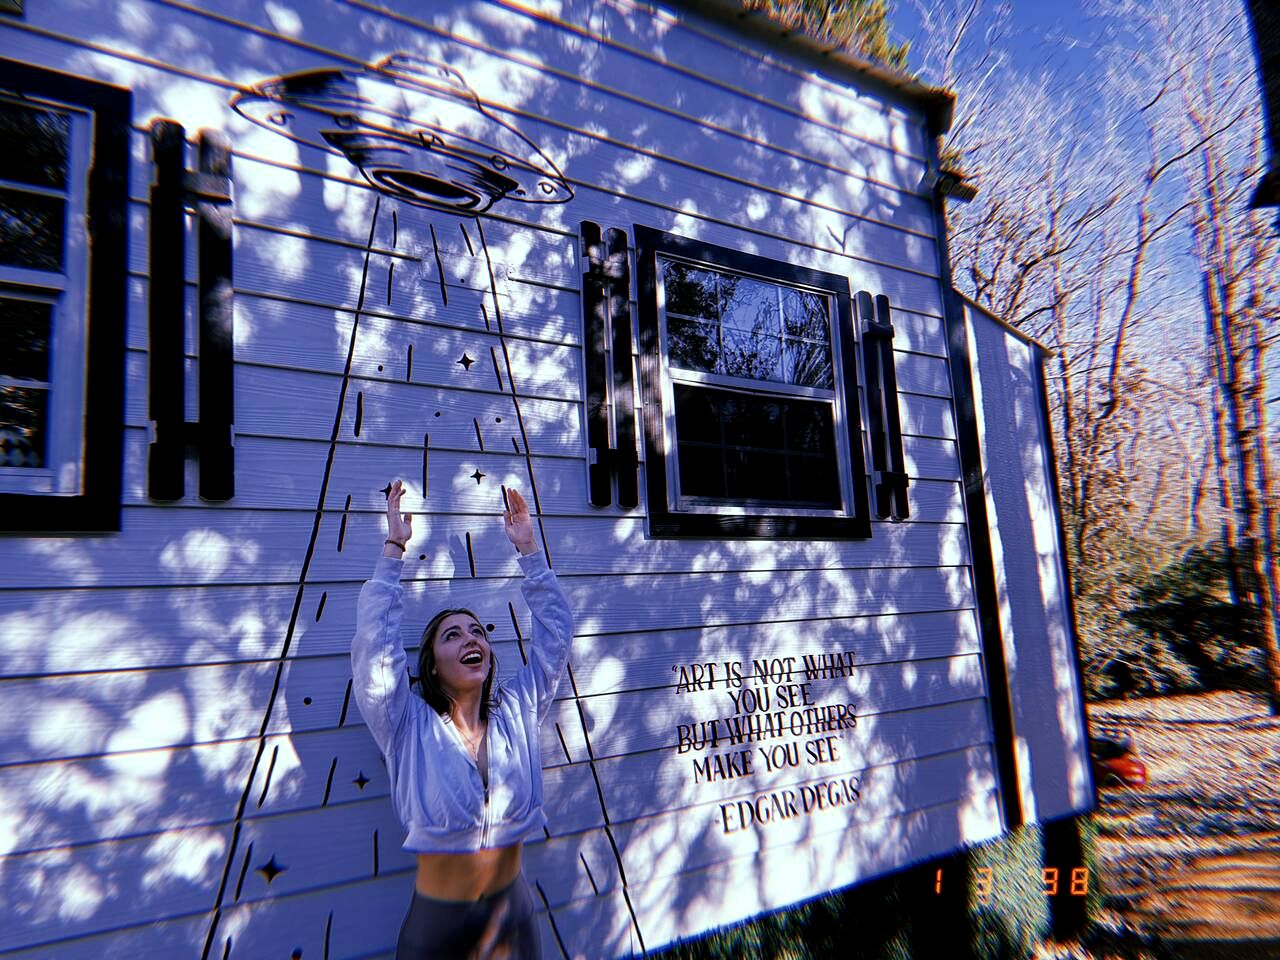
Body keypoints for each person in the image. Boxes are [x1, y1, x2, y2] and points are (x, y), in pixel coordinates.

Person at [352, 479, 573, 959]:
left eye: (477, 631)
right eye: (452, 635)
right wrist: (394, 549)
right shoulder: (406, 723)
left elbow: (555, 639)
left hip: (513, 915)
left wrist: (529, 551)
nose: (471, 639)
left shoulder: (518, 708)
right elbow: (375, 653)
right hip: (440, 927)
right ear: (431, 664)